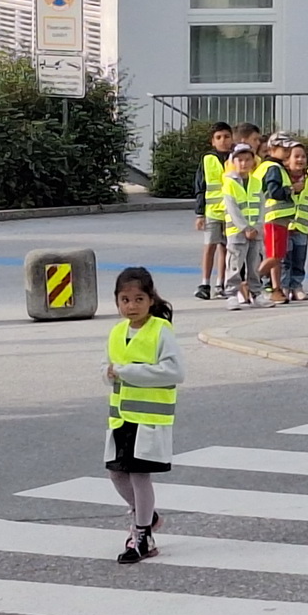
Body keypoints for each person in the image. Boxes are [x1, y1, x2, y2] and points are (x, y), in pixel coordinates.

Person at [103, 266, 185, 564]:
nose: (131, 306)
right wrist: (107, 372)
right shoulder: (116, 332)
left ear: (151, 300)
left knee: (139, 476)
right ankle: (148, 516)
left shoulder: (160, 330)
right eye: (125, 300)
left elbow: (175, 371)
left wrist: (126, 372)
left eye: (138, 299)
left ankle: (142, 535)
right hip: (121, 417)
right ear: (117, 302)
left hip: (150, 419)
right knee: (116, 473)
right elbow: (107, 365)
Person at [222, 143, 273, 309]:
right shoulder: (229, 183)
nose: (243, 164)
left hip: (255, 232)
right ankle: (231, 293)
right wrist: (245, 228)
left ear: (253, 162)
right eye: (240, 160)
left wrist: (257, 227)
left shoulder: (256, 182)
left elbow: (261, 206)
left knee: (253, 264)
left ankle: (256, 293)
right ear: (233, 162)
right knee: (235, 263)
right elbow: (233, 209)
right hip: (237, 232)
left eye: (247, 160)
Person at [193, 121, 234, 300]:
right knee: (210, 246)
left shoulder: (236, 158)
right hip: (212, 211)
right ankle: (205, 283)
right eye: (218, 137)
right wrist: (199, 213)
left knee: (226, 247)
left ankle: (221, 283)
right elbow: (201, 186)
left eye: (226, 136)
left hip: (231, 211)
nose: (223, 140)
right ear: (212, 141)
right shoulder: (208, 159)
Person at [253, 132, 295, 304]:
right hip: (274, 217)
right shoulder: (273, 168)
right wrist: (291, 189)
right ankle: (250, 281)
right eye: (284, 148)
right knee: (276, 256)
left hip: (275, 218)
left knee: (275, 255)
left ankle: (276, 289)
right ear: (273, 149)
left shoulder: (269, 167)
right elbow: (274, 191)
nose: (287, 152)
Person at [284, 141, 308, 302]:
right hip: (286, 225)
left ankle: (296, 285)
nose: (300, 160)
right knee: (285, 260)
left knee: (299, 259)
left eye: (303, 156)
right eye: (296, 156)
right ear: (287, 160)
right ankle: (284, 286)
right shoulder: (283, 177)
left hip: (302, 226)